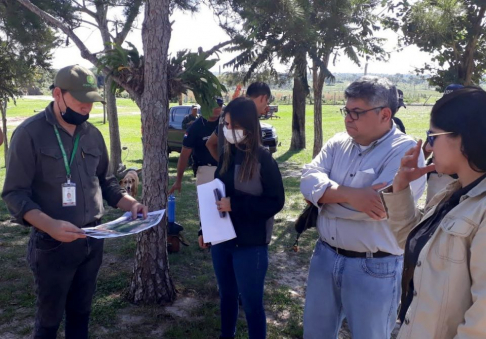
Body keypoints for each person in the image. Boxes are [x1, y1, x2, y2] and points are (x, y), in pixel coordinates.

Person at [1, 65, 148, 339]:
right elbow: (14, 194)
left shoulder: (92, 134)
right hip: (52, 245)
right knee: (49, 321)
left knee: (81, 315)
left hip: (92, 240)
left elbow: (106, 182)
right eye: (81, 102)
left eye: (91, 102)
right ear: (58, 94)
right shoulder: (29, 134)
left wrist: (131, 205)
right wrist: (50, 226)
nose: (86, 109)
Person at [300, 76, 426, 339]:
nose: (348, 118)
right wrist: (353, 195)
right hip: (325, 256)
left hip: (374, 267)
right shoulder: (337, 143)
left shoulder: (405, 152)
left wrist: (323, 199)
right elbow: (307, 179)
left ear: (385, 114)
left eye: (357, 112)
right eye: (347, 111)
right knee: (315, 334)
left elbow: (382, 208)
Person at [382, 86, 486, 338]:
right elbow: (413, 244)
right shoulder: (453, 193)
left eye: (433, 136)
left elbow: (480, 324)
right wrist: (400, 186)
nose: (428, 146)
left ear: (462, 139)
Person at [199, 97, 285, 339]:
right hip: (221, 242)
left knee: (251, 305)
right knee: (226, 297)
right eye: (225, 124)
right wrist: (204, 229)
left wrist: (235, 205)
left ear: (247, 125)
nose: (227, 130)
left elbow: (275, 201)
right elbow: (216, 193)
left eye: (232, 125)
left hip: (251, 245)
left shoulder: (263, 159)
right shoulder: (226, 155)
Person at [206, 82, 271, 161]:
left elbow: (210, 143)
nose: (266, 106)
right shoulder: (245, 116)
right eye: (267, 102)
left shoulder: (231, 111)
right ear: (263, 98)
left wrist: (222, 165)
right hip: (245, 170)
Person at [423, 84, 464, 204]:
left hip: (458, 177)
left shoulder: (469, 123)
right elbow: (426, 148)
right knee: (431, 212)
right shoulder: (441, 120)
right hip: (438, 174)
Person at [168, 101, 220, 194]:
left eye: (220, 106)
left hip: (226, 169)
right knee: (208, 206)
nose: (218, 109)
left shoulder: (225, 122)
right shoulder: (196, 127)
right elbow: (184, 155)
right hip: (206, 169)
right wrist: (178, 180)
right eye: (214, 106)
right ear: (205, 107)